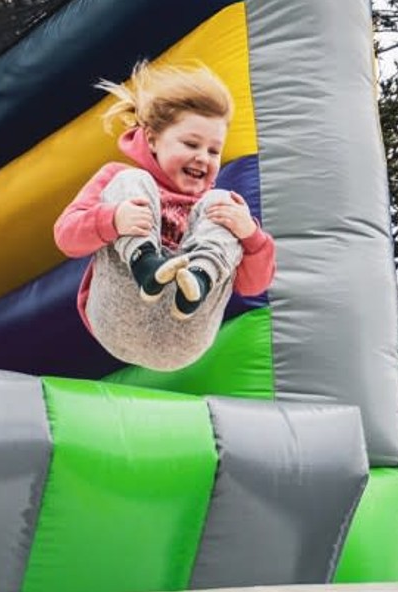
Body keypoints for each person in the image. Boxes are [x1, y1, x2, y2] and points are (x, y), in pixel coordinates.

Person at [53, 60, 275, 371]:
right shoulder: (123, 182)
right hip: (120, 316)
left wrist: (250, 234)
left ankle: (199, 278)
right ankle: (145, 262)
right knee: (129, 181)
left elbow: (253, 287)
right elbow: (66, 236)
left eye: (214, 151)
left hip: (184, 336)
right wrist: (113, 219)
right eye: (191, 144)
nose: (203, 157)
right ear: (153, 139)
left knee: (225, 205)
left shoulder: (213, 210)